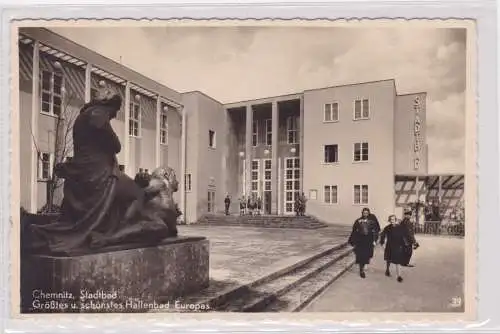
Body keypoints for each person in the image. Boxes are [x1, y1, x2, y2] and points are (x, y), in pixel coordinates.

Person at [30, 87, 147, 254]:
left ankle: (111, 229)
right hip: (98, 174)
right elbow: (116, 145)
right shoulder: (98, 114)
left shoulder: (84, 115)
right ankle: (117, 234)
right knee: (136, 193)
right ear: (109, 104)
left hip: (86, 171)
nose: (115, 114)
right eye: (116, 110)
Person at [379, 215, 414, 282]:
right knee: (388, 259)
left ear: (396, 220)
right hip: (389, 246)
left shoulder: (400, 228)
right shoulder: (387, 228)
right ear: (389, 220)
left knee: (398, 261)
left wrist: (410, 243)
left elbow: (406, 235)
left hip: (398, 246)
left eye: (393, 219)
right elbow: (382, 235)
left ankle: (399, 276)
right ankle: (387, 270)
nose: (392, 221)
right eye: (391, 220)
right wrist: (382, 243)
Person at [348, 208, 379, 278]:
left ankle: (363, 266)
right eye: (364, 213)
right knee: (360, 255)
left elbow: (375, 231)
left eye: (367, 213)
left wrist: (374, 240)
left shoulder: (371, 222)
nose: (365, 214)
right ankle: (361, 270)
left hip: (368, 241)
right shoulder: (358, 221)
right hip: (360, 241)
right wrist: (352, 240)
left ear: (368, 213)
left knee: (366, 255)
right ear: (362, 213)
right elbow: (354, 231)